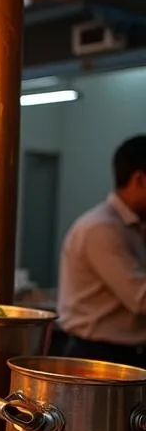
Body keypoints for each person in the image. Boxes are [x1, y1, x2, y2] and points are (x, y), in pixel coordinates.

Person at [58, 135, 146, 368]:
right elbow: (141, 298)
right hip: (97, 355)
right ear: (139, 179)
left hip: (122, 351)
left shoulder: (134, 226)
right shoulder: (102, 227)